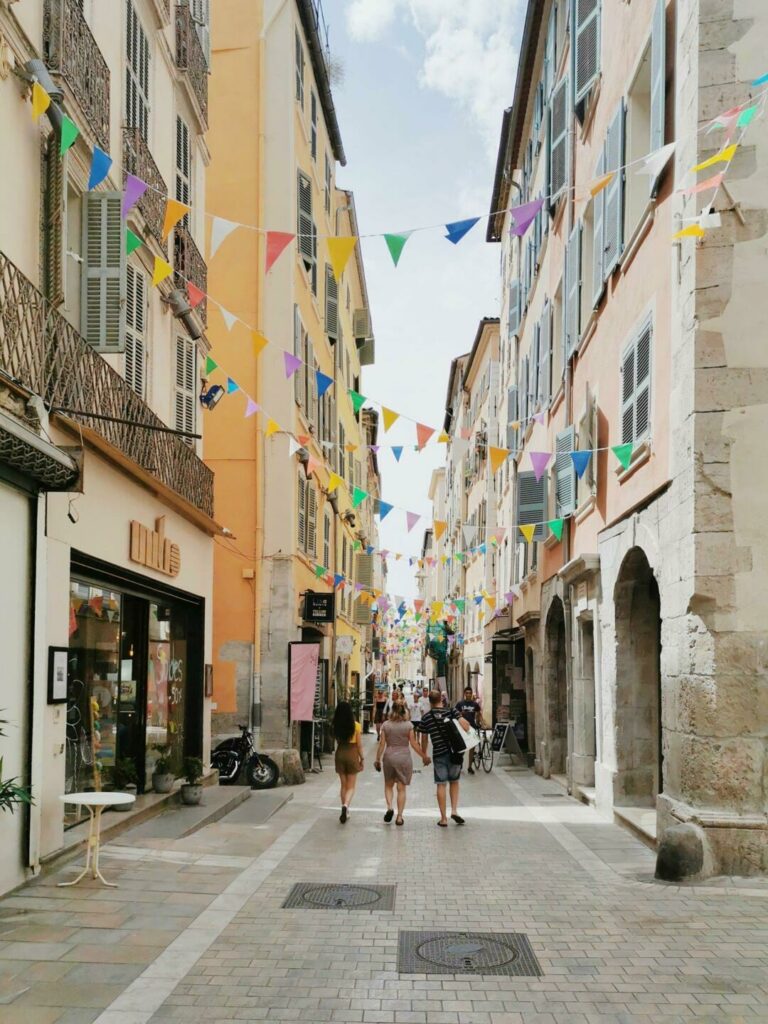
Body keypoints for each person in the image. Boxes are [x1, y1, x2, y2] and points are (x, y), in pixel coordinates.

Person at [416, 690, 470, 827]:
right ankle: (454, 810)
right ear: (441, 699)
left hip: (439, 753)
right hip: (454, 752)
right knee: (454, 781)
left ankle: (443, 818)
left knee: (441, 784)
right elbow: (466, 726)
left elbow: (424, 738)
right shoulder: (451, 711)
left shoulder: (427, 718)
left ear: (429, 701)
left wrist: (424, 755)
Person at [374, 703, 430, 826]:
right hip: (404, 758)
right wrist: (424, 756)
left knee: (388, 785)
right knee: (401, 788)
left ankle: (389, 807)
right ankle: (399, 817)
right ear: (404, 711)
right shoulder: (408, 725)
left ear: (391, 711)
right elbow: (414, 744)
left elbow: (382, 744)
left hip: (389, 757)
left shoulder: (386, 725)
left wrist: (377, 759)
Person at [333, 701, 364, 823]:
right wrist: (362, 758)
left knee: (343, 785)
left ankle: (345, 809)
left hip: (340, 752)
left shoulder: (335, 725)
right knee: (351, 786)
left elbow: (336, 740)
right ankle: (345, 805)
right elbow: (359, 745)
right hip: (352, 753)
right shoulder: (356, 726)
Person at [455, 686, 483, 774]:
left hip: (472, 727)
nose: (468, 695)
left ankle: (470, 767)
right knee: (462, 747)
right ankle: (460, 764)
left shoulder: (474, 704)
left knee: (472, 747)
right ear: (464, 694)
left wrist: (480, 722)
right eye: (466, 693)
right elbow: (455, 714)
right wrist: (460, 713)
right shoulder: (460, 704)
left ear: (471, 694)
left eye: (469, 693)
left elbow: (479, 713)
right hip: (462, 728)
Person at [416, 686, 431, 756]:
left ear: (427, 692)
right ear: (422, 692)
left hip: (428, 717)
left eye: (426, 691)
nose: (425, 692)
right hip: (421, 717)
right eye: (424, 691)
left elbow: (431, 707)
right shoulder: (420, 699)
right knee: (420, 730)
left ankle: (425, 744)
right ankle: (419, 740)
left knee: (426, 732)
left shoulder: (429, 699)